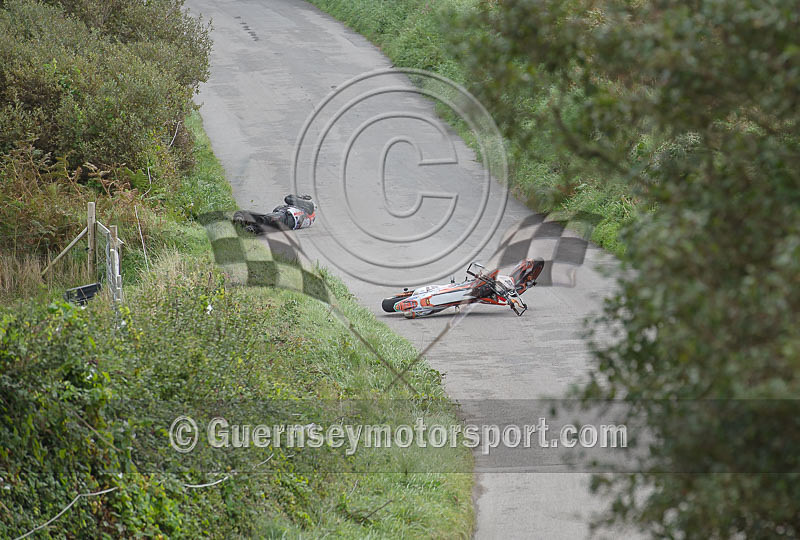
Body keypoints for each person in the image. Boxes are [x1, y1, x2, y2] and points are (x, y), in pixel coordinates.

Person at [233, 194, 316, 233]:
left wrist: (299, 197)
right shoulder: (304, 211)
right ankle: (245, 226)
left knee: (265, 220)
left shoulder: (310, 205)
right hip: (286, 221)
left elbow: (288, 198)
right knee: (263, 225)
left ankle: (243, 224)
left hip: (287, 217)